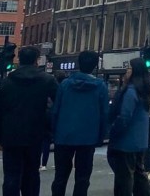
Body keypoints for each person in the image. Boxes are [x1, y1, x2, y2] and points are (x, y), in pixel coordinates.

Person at [0, 46, 59, 196]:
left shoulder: (8, 81)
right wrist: (51, 128)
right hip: (35, 134)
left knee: (11, 175)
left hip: (10, 135)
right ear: (36, 61)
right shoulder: (47, 80)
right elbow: (59, 105)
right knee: (31, 175)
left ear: (19, 60)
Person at [51, 50, 109, 196]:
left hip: (64, 136)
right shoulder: (100, 86)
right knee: (83, 178)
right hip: (88, 137)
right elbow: (104, 115)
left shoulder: (65, 85)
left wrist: (53, 132)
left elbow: (55, 110)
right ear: (95, 66)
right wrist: (101, 137)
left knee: (60, 177)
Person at [108, 57, 150, 196]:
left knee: (124, 179)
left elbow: (124, 117)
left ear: (134, 72)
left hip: (126, 141)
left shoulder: (131, 91)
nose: (126, 72)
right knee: (139, 176)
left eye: (129, 69)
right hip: (140, 141)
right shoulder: (144, 91)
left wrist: (113, 131)